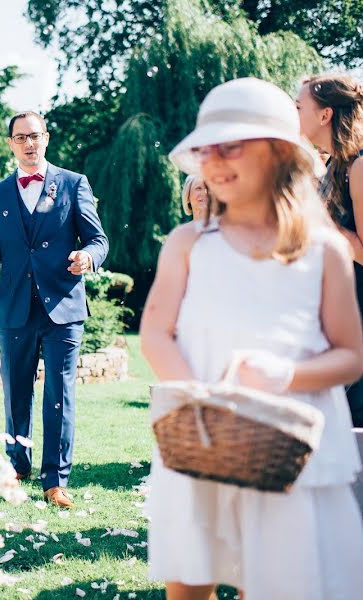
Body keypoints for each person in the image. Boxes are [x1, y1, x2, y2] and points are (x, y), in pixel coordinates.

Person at [141, 77, 363, 600]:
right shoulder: (188, 242)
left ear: (282, 152)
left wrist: (287, 375)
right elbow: (155, 331)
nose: (213, 159)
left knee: (280, 579)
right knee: (192, 573)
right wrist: (201, 396)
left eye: (232, 144)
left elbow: (352, 354)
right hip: (203, 431)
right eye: (205, 148)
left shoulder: (324, 249)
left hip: (293, 442)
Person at [0, 111, 109, 508]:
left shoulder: (74, 184)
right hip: (14, 309)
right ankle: (17, 463)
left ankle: (55, 479)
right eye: (20, 137)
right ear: (10, 143)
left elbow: (98, 239)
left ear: (46, 138)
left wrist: (88, 259)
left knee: (60, 393)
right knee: (16, 393)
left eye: (35, 136)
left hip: (64, 308)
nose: (28, 143)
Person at [296, 73, 363, 427]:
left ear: (325, 115)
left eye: (299, 107)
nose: (294, 115)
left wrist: (317, 218)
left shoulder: (360, 166)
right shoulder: (335, 166)